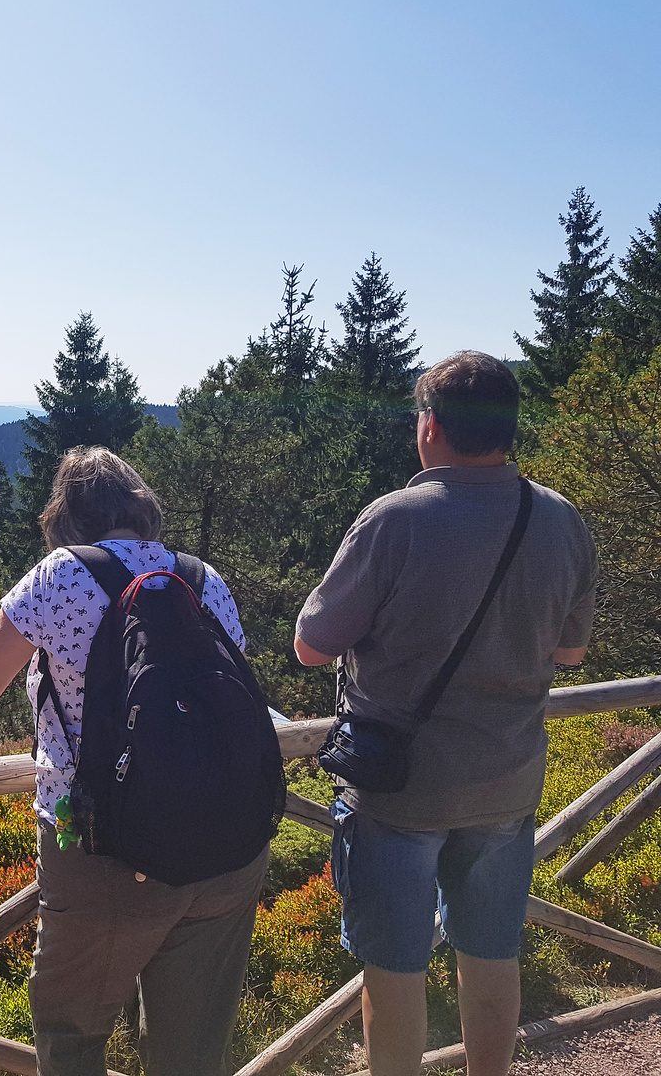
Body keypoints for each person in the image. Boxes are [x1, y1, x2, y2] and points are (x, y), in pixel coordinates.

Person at [0, 446, 266, 1076]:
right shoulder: (201, 578)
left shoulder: (62, 574)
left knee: (70, 1033)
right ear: (141, 508)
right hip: (226, 846)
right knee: (193, 1053)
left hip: (104, 849)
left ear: (67, 516)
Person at [293, 351, 597, 1076]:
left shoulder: (395, 520)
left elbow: (310, 646)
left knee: (393, 972)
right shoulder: (559, 519)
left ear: (429, 425)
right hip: (508, 786)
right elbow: (572, 654)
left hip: (400, 792)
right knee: (491, 958)